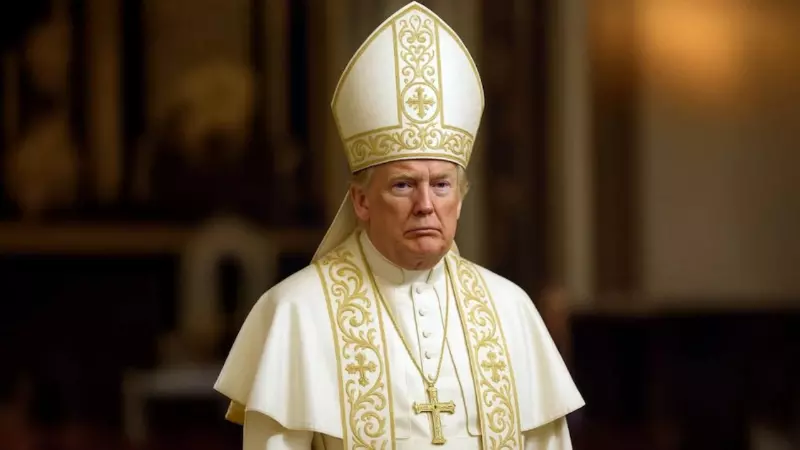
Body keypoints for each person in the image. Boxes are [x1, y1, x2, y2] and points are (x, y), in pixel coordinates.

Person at [214, 2, 584, 449]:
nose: (425, 205)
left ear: (461, 199)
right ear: (361, 200)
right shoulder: (297, 312)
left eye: (441, 185)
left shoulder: (511, 312)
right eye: (403, 185)